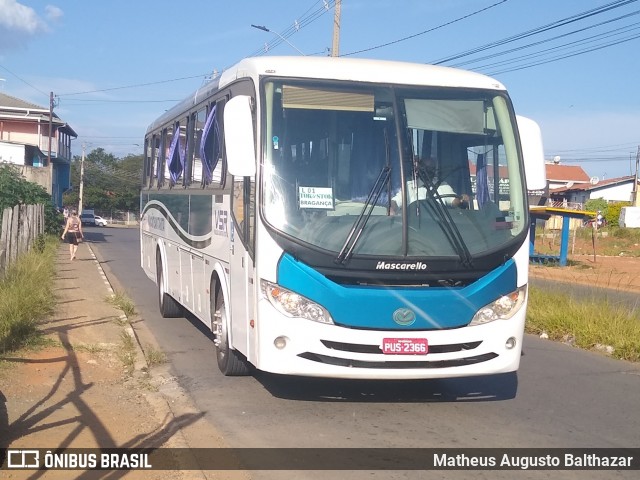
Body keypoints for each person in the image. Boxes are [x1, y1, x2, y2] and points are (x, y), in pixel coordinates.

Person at [390, 157, 469, 214]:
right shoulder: (409, 186)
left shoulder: (442, 185)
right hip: (413, 230)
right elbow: (396, 202)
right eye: (426, 169)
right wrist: (391, 208)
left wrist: (461, 200)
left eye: (432, 169)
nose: (429, 172)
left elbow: (454, 201)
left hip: (440, 227)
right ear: (419, 170)